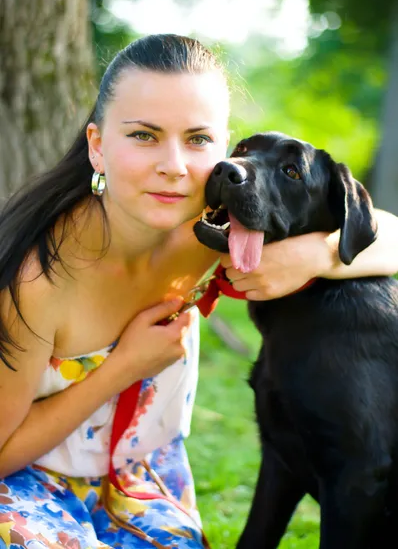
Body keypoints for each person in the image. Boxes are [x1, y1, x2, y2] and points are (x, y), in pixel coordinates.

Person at [0, 34, 397, 549]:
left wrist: (314, 254)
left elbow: (390, 233)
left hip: (137, 480)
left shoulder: (208, 231)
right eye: (144, 136)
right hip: (23, 483)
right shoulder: (38, 278)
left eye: (198, 139)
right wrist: (123, 368)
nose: (174, 165)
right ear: (97, 144)